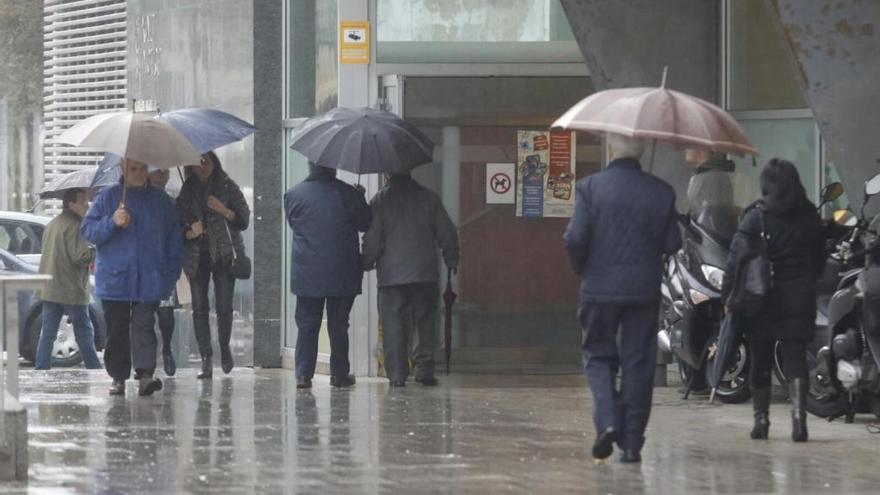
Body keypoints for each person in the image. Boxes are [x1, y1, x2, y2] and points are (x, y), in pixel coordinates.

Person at [564, 133, 681, 463]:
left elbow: (575, 239)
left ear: (611, 149)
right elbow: (673, 243)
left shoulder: (590, 188)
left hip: (598, 288)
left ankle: (608, 421)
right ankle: (632, 443)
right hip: (643, 290)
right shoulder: (661, 191)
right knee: (639, 362)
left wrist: (582, 269)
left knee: (598, 355)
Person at [721, 158, 824, 443]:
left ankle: (761, 421)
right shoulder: (810, 215)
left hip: (761, 297)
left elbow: (736, 262)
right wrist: (805, 280)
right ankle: (799, 420)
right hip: (799, 296)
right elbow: (820, 258)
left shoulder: (756, 216)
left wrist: (728, 296)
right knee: (795, 357)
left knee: (761, 357)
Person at [81, 159, 182, 396]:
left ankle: (145, 374)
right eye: (134, 169)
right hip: (115, 278)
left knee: (144, 325)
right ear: (124, 170)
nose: (139, 174)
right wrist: (112, 222)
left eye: (143, 169)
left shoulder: (161, 201)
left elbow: (173, 241)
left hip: (150, 277)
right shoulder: (108, 198)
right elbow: (88, 231)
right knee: (117, 328)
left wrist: (170, 275)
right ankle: (118, 376)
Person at [362, 171, 459, 388]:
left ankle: (397, 375)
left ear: (387, 174)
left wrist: (366, 262)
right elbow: (447, 232)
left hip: (391, 277)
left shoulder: (380, 200)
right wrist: (451, 258)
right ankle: (424, 369)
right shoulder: (429, 197)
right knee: (425, 321)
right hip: (424, 273)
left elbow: (373, 240)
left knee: (393, 325)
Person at [284, 163, 370, 389]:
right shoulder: (350, 194)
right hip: (343, 271)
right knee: (339, 324)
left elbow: (295, 225)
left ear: (310, 165)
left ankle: (303, 374)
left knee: (307, 324)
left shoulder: (293, 195)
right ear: (334, 167)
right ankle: (339, 374)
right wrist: (359, 197)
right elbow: (366, 223)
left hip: (308, 273)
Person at [177, 151, 250, 379]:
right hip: (197, 257)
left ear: (214, 162)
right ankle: (206, 357)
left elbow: (244, 220)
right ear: (192, 166)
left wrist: (223, 210)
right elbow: (177, 227)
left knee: (224, 306)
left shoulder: (227, 186)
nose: (203, 165)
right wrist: (190, 231)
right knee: (199, 308)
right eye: (198, 162)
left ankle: (225, 347)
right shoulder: (187, 190)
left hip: (224, 255)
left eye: (207, 160)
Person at [35, 188, 102, 370]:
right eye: (83, 201)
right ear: (71, 204)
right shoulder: (75, 225)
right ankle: (94, 367)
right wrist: (95, 250)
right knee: (84, 332)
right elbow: (80, 257)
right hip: (70, 289)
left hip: (50, 287)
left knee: (47, 333)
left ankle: (41, 368)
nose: (87, 205)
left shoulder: (53, 224)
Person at [149, 167, 180, 376]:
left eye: (166, 171)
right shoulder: (137, 199)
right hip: (144, 267)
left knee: (166, 315)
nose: (164, 175)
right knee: (144, 317)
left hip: (165, 266)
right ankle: (148, 357)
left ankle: (167, 348)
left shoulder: (171, 201)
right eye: (159, 171)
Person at [685, 147, 735, 215]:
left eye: (689, 145)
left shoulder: (713, 177)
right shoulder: (704, 175)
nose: (685, 149)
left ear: (702, 148)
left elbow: (712, 216)